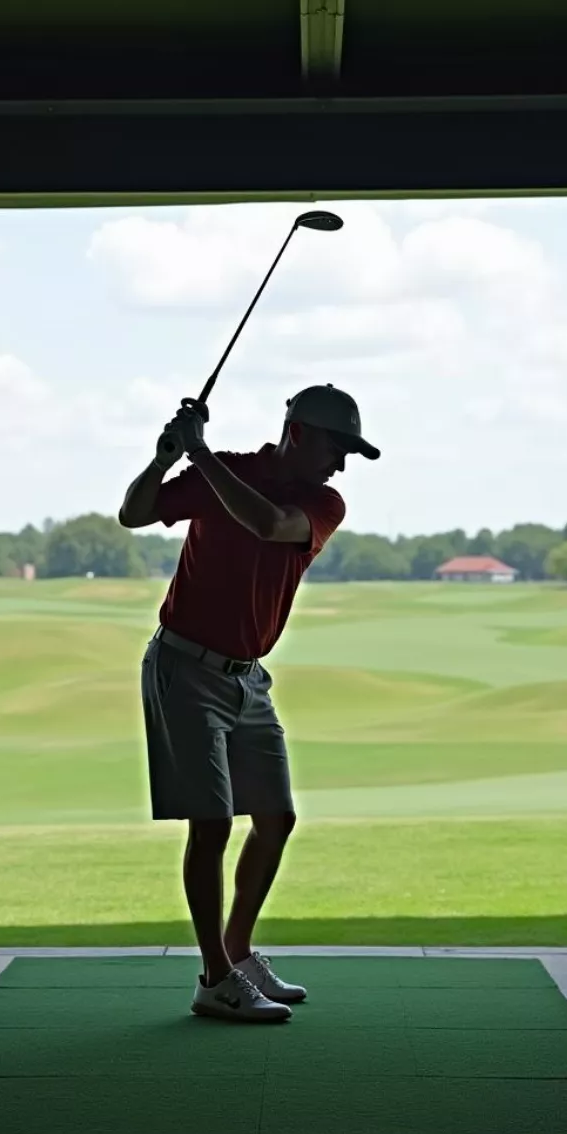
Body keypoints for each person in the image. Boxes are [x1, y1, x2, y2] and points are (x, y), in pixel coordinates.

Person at [118, 384, 380, 1022]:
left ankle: (236, 951)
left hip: (248, 678)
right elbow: (135, 513)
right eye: (337, 447)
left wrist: (201, 455)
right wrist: (164, 458)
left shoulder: (322, 501)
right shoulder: (228, 469)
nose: (341, 464)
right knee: (210, 825)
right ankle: (214, 976)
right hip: (184, 664)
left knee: (275, 818)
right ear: (300, 433)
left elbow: (267, 524)